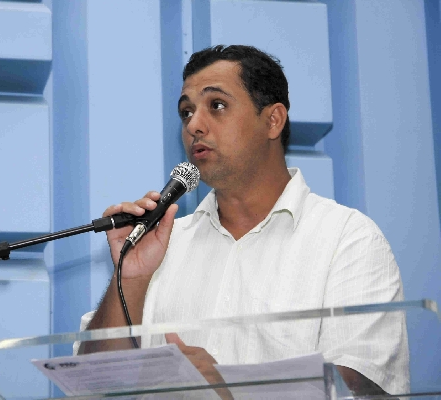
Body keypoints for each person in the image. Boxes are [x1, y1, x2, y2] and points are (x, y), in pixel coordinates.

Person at [77, 45, 409, 395]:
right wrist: (130, 278)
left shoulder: (348, 239)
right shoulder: (162, 244)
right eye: (186, 112)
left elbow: (362, 387)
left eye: (217, 105)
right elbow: (94, 383)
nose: (194, 125)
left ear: (273, 120)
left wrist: (231, 389)